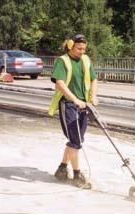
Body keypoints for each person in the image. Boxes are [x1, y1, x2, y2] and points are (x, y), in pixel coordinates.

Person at [48, 34, 98, 186]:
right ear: (70, 45)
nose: (82, 51)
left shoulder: (86, 60)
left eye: (84, 49)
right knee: (76, 140)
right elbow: (60, 83)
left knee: (75, 140)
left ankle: (62, 169)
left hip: (84, 106)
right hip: (68, 105)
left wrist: (93, 96)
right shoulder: (62, 61)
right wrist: (74, 99)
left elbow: (93, 79)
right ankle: (77, 175)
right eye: (79, 48)